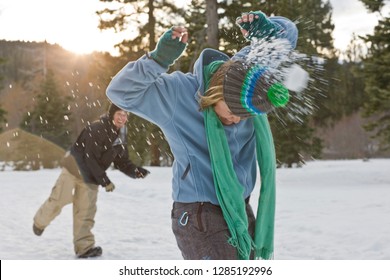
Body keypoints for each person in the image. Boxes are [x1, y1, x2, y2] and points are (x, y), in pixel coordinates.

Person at [106, 11, 298, 260]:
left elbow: (288, 33)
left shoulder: (252, 77)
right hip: (199, 215)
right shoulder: (180, 95)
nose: (237, 120)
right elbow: (120, 92)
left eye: (246, 115)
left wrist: (267, 34)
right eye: (231, 112)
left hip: (238, 209)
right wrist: (157, 60)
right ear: (215, 92)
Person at [33, 103, 150, 258]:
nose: (122, 118)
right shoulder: (97, 128)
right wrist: (105, 180)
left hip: (92, 176)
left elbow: (121, 161)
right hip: (74, 169)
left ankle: (84, 247)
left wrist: (135, 171)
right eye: (119, 114)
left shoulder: (121, 135)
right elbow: (90, 158)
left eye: (125, 115)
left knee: (86, 211)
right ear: (111, 114)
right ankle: (39, 222)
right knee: (59, 199)